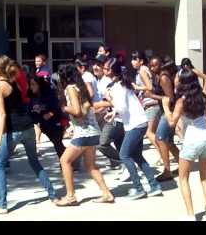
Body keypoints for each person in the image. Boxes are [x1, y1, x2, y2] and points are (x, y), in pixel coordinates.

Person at [0, 55, 58, 215]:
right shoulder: (14, 82)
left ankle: (1, 205)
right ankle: (53, 196)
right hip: (28, 128)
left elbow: (2, 114)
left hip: (15, 130)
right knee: (34, 162)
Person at [55, 63, 114, 206]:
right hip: (93, 131)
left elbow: (77, 111)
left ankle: (70, 196)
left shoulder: (70, 88)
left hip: (84, 133)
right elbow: (87, 107)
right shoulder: (81, 87)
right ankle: (106, 193)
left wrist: (63, 108)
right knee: (90, 165)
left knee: (65, 161)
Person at [103, 59, 163, 201]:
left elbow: (122, 107)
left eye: (106, 68)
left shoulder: (118, 87)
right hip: (139, 122)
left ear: (112, 71)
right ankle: (154, 186)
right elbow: (124, 106)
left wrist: (112, 112)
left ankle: (138, 188)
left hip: (135, 124)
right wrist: (114, 112)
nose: (104, 70)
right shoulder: (123, 84)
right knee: (137, 156)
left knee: (124, 155)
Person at [162, 70, 206, 221]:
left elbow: (172, 122)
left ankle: (190, 215)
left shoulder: (181, 101)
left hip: (191, 141)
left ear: (183, 83)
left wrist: (166, 107)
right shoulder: (203, 97)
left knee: (183, 178)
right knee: (205, 178)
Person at [147, 56, 181, 181]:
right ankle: (182, 165)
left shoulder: (163, 77)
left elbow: (170, 98)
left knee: (160, 138)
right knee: (169, 142)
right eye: (150, 65)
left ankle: (167, 171)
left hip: (169, 112)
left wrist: (152, 95)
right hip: (165, 111)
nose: (152, 68)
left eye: (154, 65)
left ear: (161, 65)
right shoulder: (157, 77)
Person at [92, 56, 123, 170]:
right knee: (118, 142)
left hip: (114, 116)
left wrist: (96, 108)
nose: (95, 67)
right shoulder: (99, 80)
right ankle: (121, 163)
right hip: (108, 115)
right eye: (94, 65)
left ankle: (122, 160)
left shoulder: (108, 81)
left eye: (99, 66)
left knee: (102, 143)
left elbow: (112, 102)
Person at [131, 51, 161, 157]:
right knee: (155, 133)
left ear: (141, 61)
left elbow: (149, 87)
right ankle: (165, 154)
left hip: (151, 104)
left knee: (149, 133)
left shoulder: (142, 70)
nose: (132, 62)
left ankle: (164, 155)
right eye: (132, 59)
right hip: (152, 103)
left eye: (135, 59)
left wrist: (136, 87)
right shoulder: (144, 69)